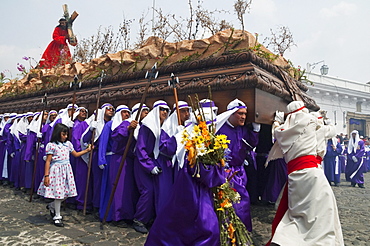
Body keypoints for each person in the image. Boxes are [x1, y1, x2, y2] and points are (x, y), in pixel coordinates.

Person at [266, 101, 343, 246]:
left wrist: (277, 120)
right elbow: (332, 130)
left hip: (295, 177)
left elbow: (275, 130)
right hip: (313, 175)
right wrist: (325, 119)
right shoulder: (312, 123)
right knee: (323, 213)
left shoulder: (282, 131)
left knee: (297, 215)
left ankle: (288, 238)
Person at [216, 98, 260, 231]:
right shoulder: (220, 129)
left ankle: (242, 232)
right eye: (240, 113)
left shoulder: (243, 129)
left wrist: (256, 130)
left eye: (245, 114)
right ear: (231, 114)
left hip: (240, 173)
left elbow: (251, 144)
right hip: (225, 173)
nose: (243, 116)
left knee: (242, 203)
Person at [37, 123, 91, 227]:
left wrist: (87, 150)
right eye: (63, 134)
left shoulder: (68, 144)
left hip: (66, 170)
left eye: (66, 134)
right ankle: (57, 216)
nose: (65, 136)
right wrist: (46, 175)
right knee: (58, 194)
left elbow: (75, 154)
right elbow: (48, 161)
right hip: (56, 171)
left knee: (66, 193)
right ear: (58, 134)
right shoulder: (51, 145)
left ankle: (52, 206)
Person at [133, 100, 169, 233]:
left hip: (157, 162)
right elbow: (141, 148)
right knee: (147, 191)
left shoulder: (164, 126)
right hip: (144, 163)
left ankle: (152, 218)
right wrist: (149, 165)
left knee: (159, 191)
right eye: (162, 109)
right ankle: (139, 219)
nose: (164, 112)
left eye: (166, 110)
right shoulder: (147, 126)